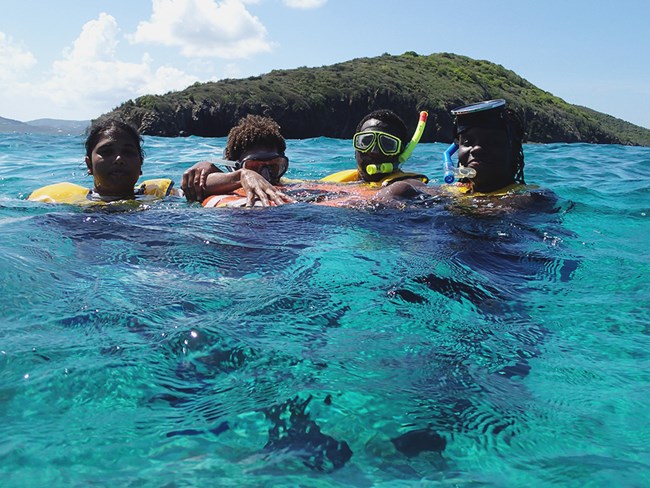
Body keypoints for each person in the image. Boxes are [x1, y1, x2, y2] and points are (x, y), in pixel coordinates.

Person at [28, 118, 179, 205]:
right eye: (106, 152)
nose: (119, 159)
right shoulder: (63, 203)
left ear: (140, 165)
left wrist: (203, 165)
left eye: (128, 152)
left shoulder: (166, 196)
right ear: (89, 165)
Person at [181, 114, 294, 207]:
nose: (265, 176)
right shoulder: (231, 181)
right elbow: (196, 185)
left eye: (274, 167)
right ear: (234, 166)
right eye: (254, 167)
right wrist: (242, 175)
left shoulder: (292, 185)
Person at [322, 109, 429, 187]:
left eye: (387, 145)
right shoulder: (332, 184)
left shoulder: (409, 187)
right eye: (366, 141)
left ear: (402, 153)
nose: (374, 151)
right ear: (355, 149)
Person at [444, 99, 526, 195]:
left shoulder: (526, 200)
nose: (476, 149)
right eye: (467, 142)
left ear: (514, 150)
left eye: (492, 142)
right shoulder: (454, 191)